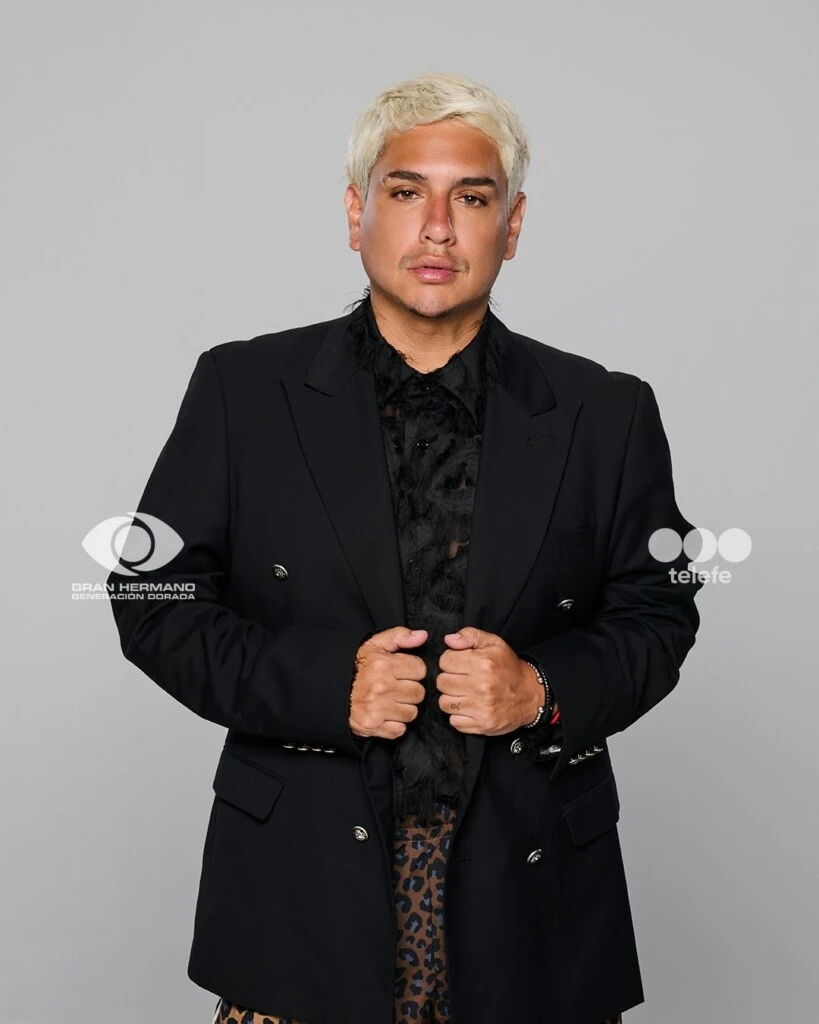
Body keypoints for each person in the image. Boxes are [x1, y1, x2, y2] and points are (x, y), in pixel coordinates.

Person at [108, 71, 704, 1024]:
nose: (436, 228)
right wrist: (325, 689)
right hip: (300, 892)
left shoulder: (604, 412)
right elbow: (151, 598)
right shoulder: (242, 391)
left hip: (532, 901)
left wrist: (539, 691)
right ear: (356, 214)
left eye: (471, 198)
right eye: (403, 191)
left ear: (511, 225)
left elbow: (659, 611)